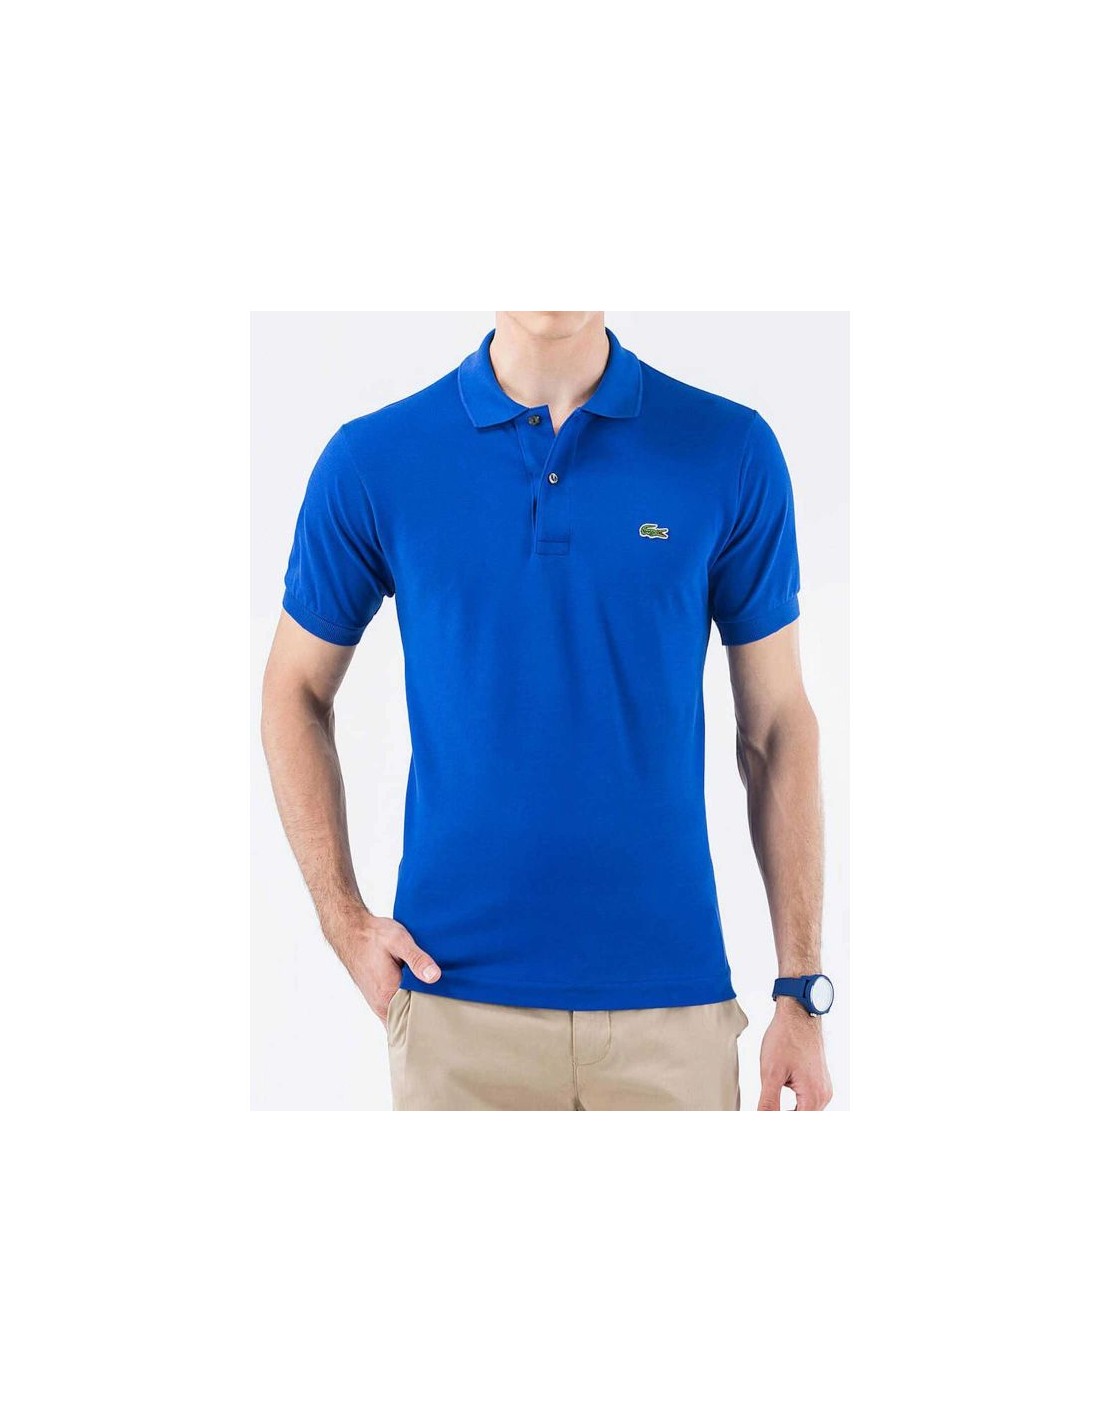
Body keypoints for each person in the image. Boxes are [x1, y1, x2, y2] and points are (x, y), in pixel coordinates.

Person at [261, 312, 833, 1111]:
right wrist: (342, 920)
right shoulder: (375, 459)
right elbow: (293, 688)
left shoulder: (728, 450)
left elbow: (776, 728)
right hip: (455, 1010)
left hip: (672, 1015)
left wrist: (800, 989)